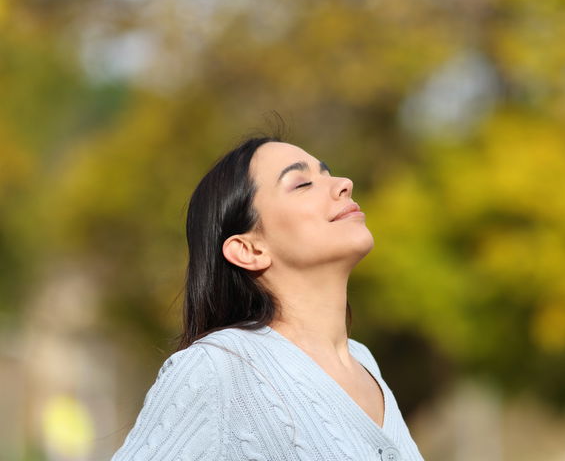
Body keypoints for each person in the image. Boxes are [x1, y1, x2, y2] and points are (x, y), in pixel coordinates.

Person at [111, 135, 425, 460]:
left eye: (328, 173)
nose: (344, 184)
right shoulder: (217, 369)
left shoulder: (364, 361)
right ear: (249, 250)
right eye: (302, 183)